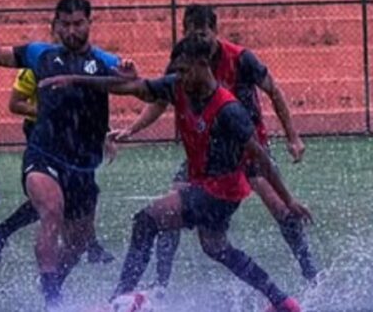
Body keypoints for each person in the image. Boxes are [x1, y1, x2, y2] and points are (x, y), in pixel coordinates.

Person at [40, 36, 309, 312]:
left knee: (146, 221)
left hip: (220, 191)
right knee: (216, 248)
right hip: (208, 187)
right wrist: (75, 79)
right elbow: (133, 86)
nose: (178, 77)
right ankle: (282, 302)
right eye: (176, 71)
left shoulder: (229, 110)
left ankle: (118, 300)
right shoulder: (178, 86)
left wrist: (287, 200)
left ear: (203, 65)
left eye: (184, 70)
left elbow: (261, 158)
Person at [109, 5, 318, 291]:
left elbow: (274, 90)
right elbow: (159, 99)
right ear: (185, 33)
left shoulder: (241, 58)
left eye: (204, 33)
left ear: (215, 32)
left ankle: (311, 275)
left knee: (281, 208)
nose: (200, 38)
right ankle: (161, 285)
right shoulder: (184, 61)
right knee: (173, 207)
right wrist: (133, 128)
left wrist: (293, 137)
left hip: (248, 147)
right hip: (208, 153)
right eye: (193, 32)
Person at [0, 0, 128, 307]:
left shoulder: (104, 61)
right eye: (65, 24)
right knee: (51, 210)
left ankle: (53, 283)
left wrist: (130, 77)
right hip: (44, 154)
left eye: (78, 23)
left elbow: (136, 86)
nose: (72, 30)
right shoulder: (40, 54)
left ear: (89, 23)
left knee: (78, 242)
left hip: (83, 164)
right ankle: (52, 299)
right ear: (56, 26)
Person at [0, 20, 115, 265]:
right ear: (54, 33)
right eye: (63, 30)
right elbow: (15, 104)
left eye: (76, 28)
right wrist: (47, 110)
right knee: (52, 199)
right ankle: (89, 245)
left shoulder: (83, 65)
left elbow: (86, 105)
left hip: (75, 139)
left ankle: (2, 232)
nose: (70, 35)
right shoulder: (37, 65)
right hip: (44, 136)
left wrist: (104, 132)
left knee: (73, 192)